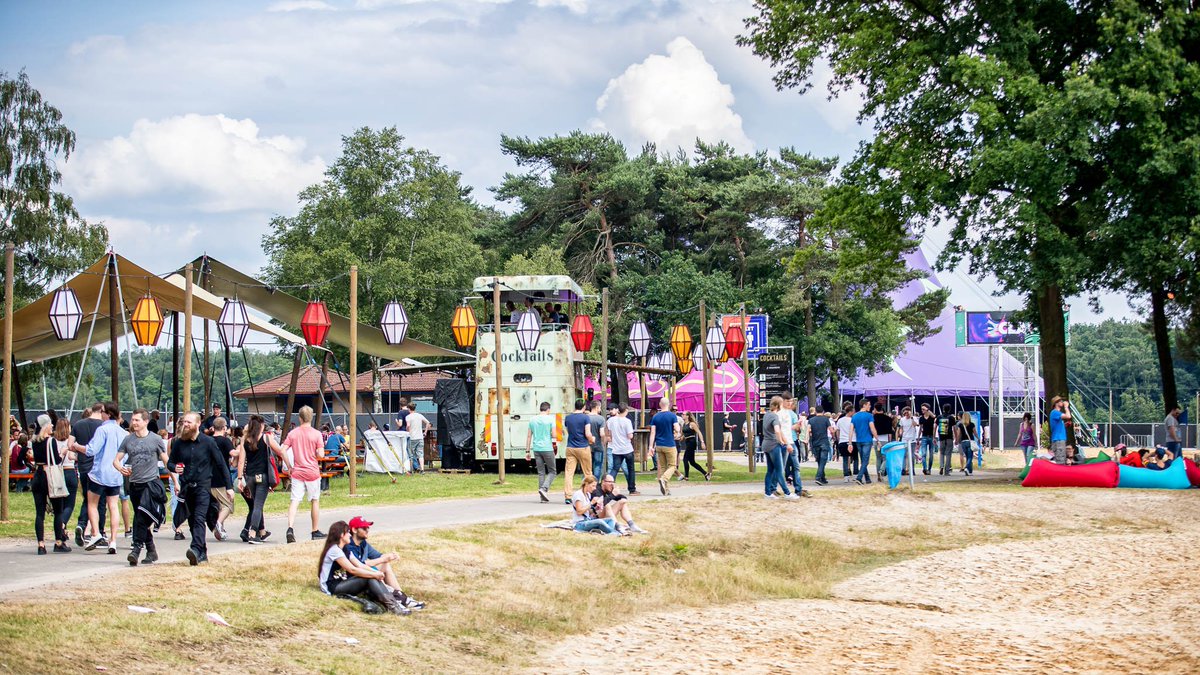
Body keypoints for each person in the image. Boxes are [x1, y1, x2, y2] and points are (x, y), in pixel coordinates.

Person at [113, 408, 170, 566]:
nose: (134, 423)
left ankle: (136, 549)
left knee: (140, 516)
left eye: (137, 420)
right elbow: (116, 460)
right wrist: (120, 468)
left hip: (150, 484)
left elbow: (166, 460)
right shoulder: (128, 440)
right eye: (133, 420)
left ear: (146, 421)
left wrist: (176, 480)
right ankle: (151, 551)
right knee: (142, 518)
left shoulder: (156, 439)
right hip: (134, 484)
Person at [169, 412, 226, 565]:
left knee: (199, 519)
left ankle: (194, 548)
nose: (185, 424)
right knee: (192, 520)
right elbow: (170, 463)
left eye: (189, 422)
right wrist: (176, 467)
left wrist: (229, 487)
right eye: (184, 422)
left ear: (198, 424)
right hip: (187, 488)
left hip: (203, 487)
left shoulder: (208, 442)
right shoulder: (179, 443)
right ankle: (202, 553)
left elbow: (221, 464)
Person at [317, 521, 410, 615]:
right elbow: (352, 569)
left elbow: (360, 565)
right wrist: (374, 574)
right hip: (332, 587)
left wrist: (376, 572)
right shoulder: (334, 550)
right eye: (348, 532)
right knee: (368, 578)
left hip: (341, 582)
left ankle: (395, 603)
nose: (350, 535)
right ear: (341, 535)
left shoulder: (345, 549)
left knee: (371, 577)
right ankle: (394, 606)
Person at [343, 516, 426, 611]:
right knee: (377, 570)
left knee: (385, 565)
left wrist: (390, 556)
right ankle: (394, 600)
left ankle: (401, 597)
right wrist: (383, 560)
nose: (367, 530)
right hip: (354, 578)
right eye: (364, 528)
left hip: (363, 573)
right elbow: (358, 565)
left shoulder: (363, 543)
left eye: (368, 528)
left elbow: (378, 556)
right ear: (354, 530)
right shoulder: (349, 546)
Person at [81, 402, 128, 554]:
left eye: (102, 412)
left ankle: (95, 533)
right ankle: (113, 540)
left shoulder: (102, 430)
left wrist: (75, 446)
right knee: (113, 506)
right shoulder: (123, 433)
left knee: (92, 504)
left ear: (106, 413)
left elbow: (91, 450)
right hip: (115, 473)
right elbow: (126, 455)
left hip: (99, 473)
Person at [235, 415, 286, 543]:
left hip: (250, 477)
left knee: (257, 503)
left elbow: (241, 461)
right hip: (262, 476)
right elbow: (280, 451)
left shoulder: (245, 440)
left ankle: (262, 531)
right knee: (258, 505)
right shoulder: (266, 438)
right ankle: (253, 533)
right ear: (261, 426)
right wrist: (289, 465)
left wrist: (240, 478)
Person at [283, 405, 326, 544]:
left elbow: (282, 450)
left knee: (295, 500)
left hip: (297, 471)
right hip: (312, 471)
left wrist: (289, 466)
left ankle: (290, 527)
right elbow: (321, 454)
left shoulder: (293, 434)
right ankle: (315, 530)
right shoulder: (316, 434)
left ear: (300, 418)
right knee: (314, 500)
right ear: (311, 417)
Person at [30, 416, 72, 555]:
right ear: (46, 426)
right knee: (58, 510)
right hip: (50, 476)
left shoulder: (35, 441)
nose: (52, 426)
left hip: (38, 475)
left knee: (39, 512)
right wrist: (63, 452)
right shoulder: (50, 441)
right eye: (50, 424)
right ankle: (58, 542)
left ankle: (40, 545)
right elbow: (57, 460)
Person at [70, 404, 107, 546]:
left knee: (88, 499)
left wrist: (79, 450)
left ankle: (81, 524)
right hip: (98, 468)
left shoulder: (78, 424)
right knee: (101, 502)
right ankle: (99, 533)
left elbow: (69, 444)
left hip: (83, 467)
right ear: (102, 411)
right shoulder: (103, 427)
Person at [206, 417, 236, 541]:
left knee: (217, 506)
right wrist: (242, 450)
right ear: (224, 428)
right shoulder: (225, 441)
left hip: (208, 477)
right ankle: (218, 524)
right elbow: (233, 454)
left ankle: (220, 530)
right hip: (220, 478)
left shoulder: (207, 440)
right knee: (228, 505)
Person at [761, 396, 796, 499]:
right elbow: (777, 430)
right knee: (779, 470)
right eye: (781, 404)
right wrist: (781, 441)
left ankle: (768, 493)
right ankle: (787, 493)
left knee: (770, 470)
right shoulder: (775, 417)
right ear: (777, 405)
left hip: (766, 444)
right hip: (773, 445)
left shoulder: (767, 415)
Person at [525, 401, 560, 503]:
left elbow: (528, 436)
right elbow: (554, 435)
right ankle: (544, 489)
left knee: (541, 473)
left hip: (536, 449)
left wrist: (527, 451)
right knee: (553, 471)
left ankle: (542, 497)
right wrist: (557, 434)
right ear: (548, 409)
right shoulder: (550, 419)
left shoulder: (532, 420)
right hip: (547, 448)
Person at [562, 398, 595, 504]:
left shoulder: (568, 418)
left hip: (570, 447)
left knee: (569, 472)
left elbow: (568, 431)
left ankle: (568, 496)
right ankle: (589, 493)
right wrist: (592, 439)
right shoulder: (586, 418)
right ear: (584, 407)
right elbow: (587, 433)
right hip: (583, 446)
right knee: (588, 472)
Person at [649, 397, 681, 496]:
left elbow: (652, 433)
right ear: (669, 404)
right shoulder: (672, 416)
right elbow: (677, 428)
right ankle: (663, 479)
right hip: (670, 444)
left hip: (659, 445)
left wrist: (651, 446)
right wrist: (677, 432)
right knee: (672, 466)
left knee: (662, 467)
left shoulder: (655, 417)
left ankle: (666, 489)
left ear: (660, 404)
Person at [605, 404, 637, 494]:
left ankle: (608, 486)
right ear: (626, 410)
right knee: (630, 469)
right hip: (627, 448)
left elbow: (609, 433)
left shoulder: (611, 420)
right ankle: (632, 489)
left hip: (616, 448)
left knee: (615, 468)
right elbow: (630, 435)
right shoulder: (627, 421)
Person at [851, 400, 877, 485]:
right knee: (865, 461)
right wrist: (877, 438)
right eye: (869, 405)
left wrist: (850, 442)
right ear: (864, 405)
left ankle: (867, 479)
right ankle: (859, 477)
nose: (870, 406)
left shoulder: (854, 416)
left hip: (858, 440)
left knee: (863, 460)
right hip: (867, 440)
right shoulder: (869, 416)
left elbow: (851, 430)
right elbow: (872, 428)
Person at [678, 412, 709, 481]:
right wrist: (677, 438)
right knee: (692, 462)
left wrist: (702, 442)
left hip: (692, 442)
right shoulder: (683, 424)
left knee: (685, 459)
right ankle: (706, 474)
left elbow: (699, 433)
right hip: (687, 441)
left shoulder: (692, 424)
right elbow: (682, 435)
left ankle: (686, 477)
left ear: (687, 416)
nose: (682, 415)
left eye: (683, 414)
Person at [808, 407, 833, 486]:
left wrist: (808, 438)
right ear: (823, 411)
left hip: (815, 442)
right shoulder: (825, 419)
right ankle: (818, 477)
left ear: (815, 411)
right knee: (823, 460)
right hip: (824, 441)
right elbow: (830, 430)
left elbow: (808, 430)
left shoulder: (811, 420)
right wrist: (834, 434)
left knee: (819, 460)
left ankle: (823, 478)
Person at [405, 403, 430, 474]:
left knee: (411, 454)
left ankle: (411, 470)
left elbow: (408, 426)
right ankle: (422, 470)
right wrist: (425, 432)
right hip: (420, 437)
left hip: (412, 437)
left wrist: (407, 430)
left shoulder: (408, 417)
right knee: (420, 454)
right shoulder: (420, 415)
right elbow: (428, 423)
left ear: (409, 409)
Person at [587, 400, 608, 480]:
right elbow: (602, 433)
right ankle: (595, 483)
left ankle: (586, 483)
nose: (600, 410)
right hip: (598, 445)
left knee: (588, 467)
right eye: (599, 408)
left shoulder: (586, 417)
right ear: (597, 407)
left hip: (587, 446)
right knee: (598, 466)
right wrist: (604, 441)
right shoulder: (601, 419)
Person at [872, 403, 894, 478]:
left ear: (875, 409)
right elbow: (890, 432)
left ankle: (878, 474)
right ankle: (881, 470)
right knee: (885, 458)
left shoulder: (873, 418)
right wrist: (890, 441)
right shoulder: (888, 418)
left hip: (875, 439)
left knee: (878, 458)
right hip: (885, 439)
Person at [835, 403, 857, 482]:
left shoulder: (840, 420)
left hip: (843, 441)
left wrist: (838, 439)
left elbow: (837, 431)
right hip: (853, 440)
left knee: (845, 459)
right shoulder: (853, 420)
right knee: (855, 458)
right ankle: (855, 474)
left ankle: (846, 476)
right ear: (850, 412)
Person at [1049, 396, 1072, 464]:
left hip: (1059, 439)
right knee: (1060, 460)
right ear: (1056, 403)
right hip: (1059, 439)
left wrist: (1064, 425)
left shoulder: (1056, 414)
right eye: (1061, 401)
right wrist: (1066, 407)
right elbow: (1068, 416)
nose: (1062, 402)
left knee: (1060, 458)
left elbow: (1056, 426)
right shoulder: (1055, 412)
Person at [897, 407, 919, 475]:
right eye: (905, 413)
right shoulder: (902, 419)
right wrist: (900, 434)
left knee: (911, 455)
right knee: (904, 455)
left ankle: (912, 470)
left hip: (912, 439)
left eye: (907, 412)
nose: (906, 414)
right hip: (904, 439)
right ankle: (903, 469)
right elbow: (901, 428)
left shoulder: (914, 418)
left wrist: (911, 418)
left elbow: (916, 425)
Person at [936, 405, 957, 476]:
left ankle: (941, 466)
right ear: (949, 409)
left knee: (941, 453)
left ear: (943, 409)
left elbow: (935, 427)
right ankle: (946, 470)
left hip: (941, 437)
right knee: (948, 454)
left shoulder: (939, 417)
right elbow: (954, 428)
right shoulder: (951, 418)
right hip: (949, 437)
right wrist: (956, 438)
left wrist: (934, 436)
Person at [918, 404, 937, 476]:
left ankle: (929, 469)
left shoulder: (931, 417)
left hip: (931, 436)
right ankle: (925, 468)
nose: (922, 410)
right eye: (921, 409)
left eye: (923, 409)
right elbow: (920, 428)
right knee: (924, 454)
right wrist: (918, 437)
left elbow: (935, 417)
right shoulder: (921, 418)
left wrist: (928, 411)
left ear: (927, 409)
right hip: (924, 437)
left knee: (931, 455)